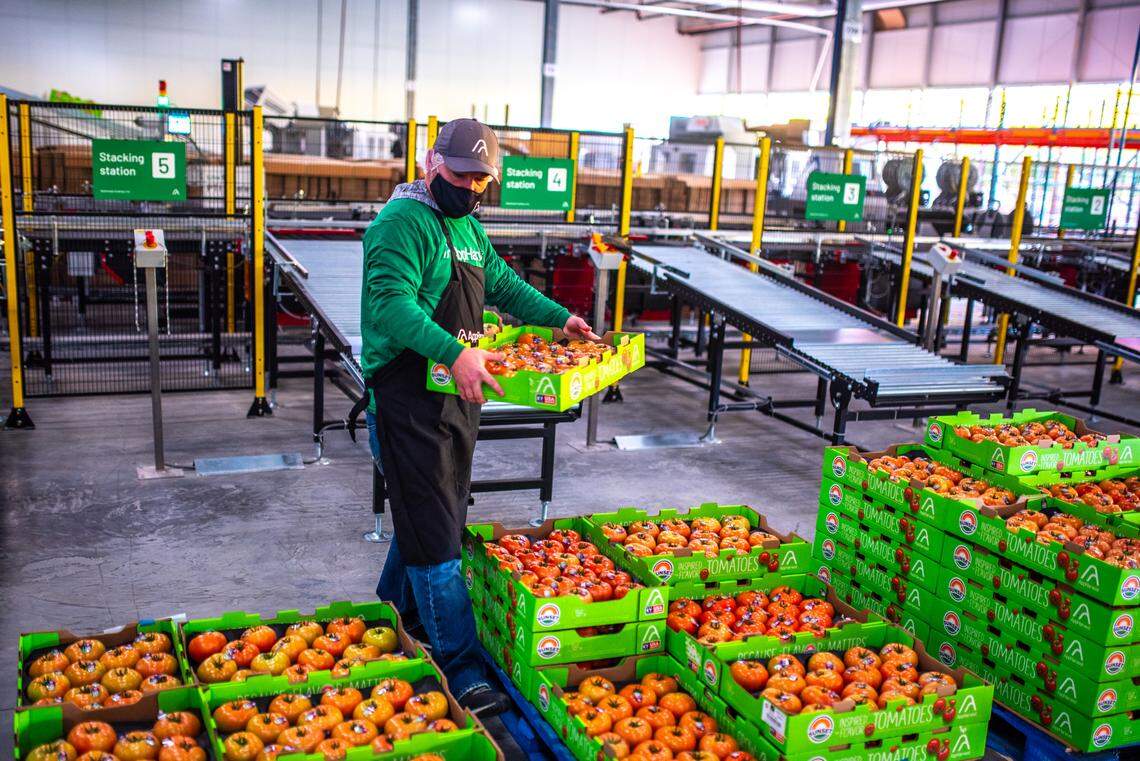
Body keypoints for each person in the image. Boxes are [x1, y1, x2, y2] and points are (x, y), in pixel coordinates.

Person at [360, 119, 599, 715]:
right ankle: (459, 664)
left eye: (481, 180)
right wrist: (454, 351)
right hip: (407, 395)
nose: (470, 188)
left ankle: (393, 609)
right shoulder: (401, 224)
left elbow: (504, 286)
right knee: (439, 531)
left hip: (456, 393)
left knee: (435, 509)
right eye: (461, 176)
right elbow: (390, 307)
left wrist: (558, 319)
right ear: (429, 163)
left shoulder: (468, 228)